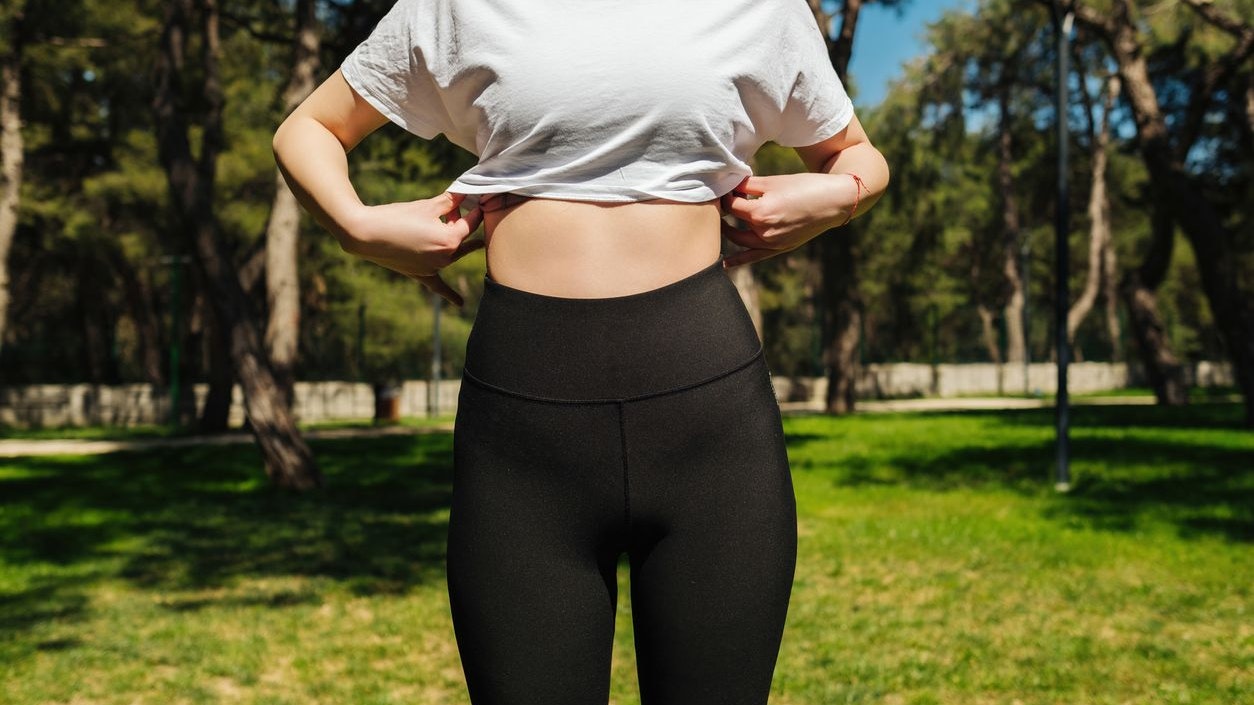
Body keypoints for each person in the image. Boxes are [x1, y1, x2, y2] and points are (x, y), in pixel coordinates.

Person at [272, 0, 889, 702]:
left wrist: (839, 196)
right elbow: (309, 128)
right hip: (522, 431)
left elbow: (858, 155)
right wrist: (355, 227)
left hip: (710, 416)